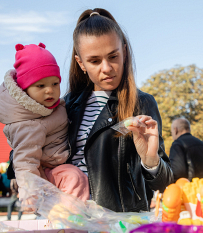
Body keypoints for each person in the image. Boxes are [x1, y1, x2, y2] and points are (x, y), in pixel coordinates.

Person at [64, 8, 173, 212]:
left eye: (113, 56)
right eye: (94, 61)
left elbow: (164, 184)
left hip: (119, 225)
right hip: (71, 220)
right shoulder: (66, 106)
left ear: (124, 52)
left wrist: (151, 161)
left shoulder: (141, 103)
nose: (106, 68)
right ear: (81, 63)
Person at [0, 43, 89, 203]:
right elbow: (24, 159)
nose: (49, 90)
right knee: (74, 178)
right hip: (45, 173)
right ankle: (69, 222)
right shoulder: (29, 123)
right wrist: (30, 191)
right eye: (41, 85)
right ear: (25, 89)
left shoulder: (51, 107)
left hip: (55, 164)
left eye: (55, 83)